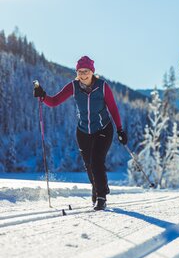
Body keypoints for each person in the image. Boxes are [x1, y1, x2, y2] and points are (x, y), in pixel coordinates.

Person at [33, 56, 127, 211]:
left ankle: (102, 196)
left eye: (86, 71)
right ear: (76, 73)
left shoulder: (102, 86)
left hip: (104, 129)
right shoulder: (74, 86)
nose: (83, 75)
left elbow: (113, 108)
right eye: (80, 71)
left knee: (97, 161)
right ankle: (97, 188)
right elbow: (55, 101)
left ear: (92, 72)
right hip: (83, 131)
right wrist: (43, 96)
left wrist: (120, 129)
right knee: (89, 165)